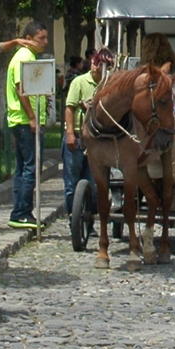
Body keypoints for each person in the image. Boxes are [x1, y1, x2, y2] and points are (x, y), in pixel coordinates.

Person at [5, 21, 49, 229]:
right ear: (28, 39)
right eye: (41, 38)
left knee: (23, 167)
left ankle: (19, 211)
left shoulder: (28, 56)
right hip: (24, 121)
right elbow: (21, 88)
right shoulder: (24, 57)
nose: (45, 42)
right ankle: (21, 213)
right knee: (31, 167)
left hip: (22, 120)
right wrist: (32, 117)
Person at [62, 48, 114, 220]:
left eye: (101, 65)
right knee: (72, 182)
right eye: (95, 63)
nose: (96, 67)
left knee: (93, 182)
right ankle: (74, 218)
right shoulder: (79, 82)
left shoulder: (109, 85)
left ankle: (89, 221)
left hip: (97, 140)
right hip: (78, 136)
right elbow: (69, 108)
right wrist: (70, 133)